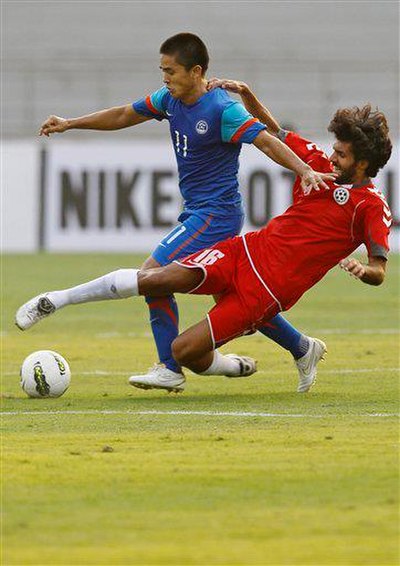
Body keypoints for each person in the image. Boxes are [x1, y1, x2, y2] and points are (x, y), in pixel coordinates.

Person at [16, 88, 392, 392]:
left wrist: (364, 270)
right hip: (243, 251)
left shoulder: (371, 206)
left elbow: (379, 269)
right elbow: (276, 135)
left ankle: (268, 354)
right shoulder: (319, 164)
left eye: (341, 154)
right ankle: (57, 299)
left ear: (362, 163)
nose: (332, 156)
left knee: (185, 352)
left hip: (263, 294)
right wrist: (248, 95)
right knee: (156, 277)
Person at [34, 33, 334, 393]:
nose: (164, 78)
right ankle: (301, 346)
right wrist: (70, 123)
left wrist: (303, 170)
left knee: (153, 275)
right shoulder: (169, 99)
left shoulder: (224, 109)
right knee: (233, 295)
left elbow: (266, 140)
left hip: (214, 215)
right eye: (162, 70)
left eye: (171, 71)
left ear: (196, 72)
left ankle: (169, 367)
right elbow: (124, 114)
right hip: (200, 212)